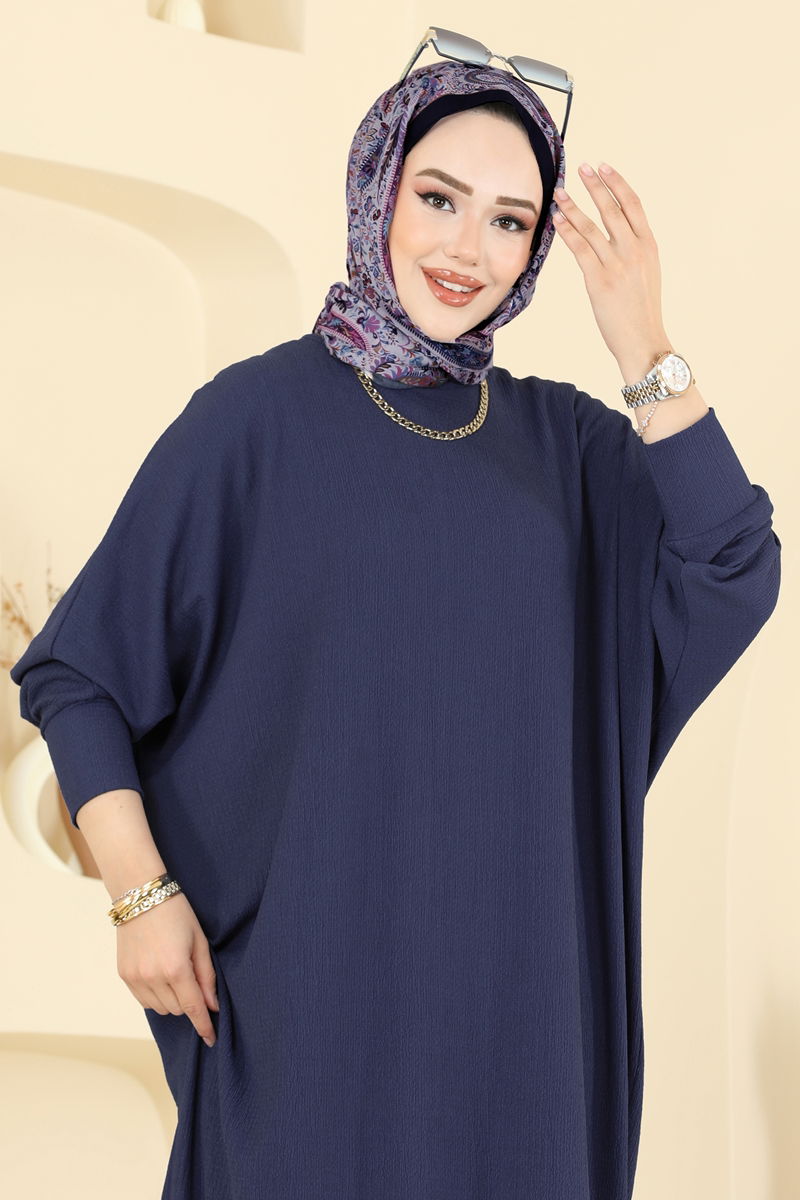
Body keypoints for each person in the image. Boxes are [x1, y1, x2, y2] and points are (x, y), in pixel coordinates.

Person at [9, 42, 781, 1200]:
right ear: (378, 188)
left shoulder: (570, 451)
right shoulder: (253, 422)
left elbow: (730, 562)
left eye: (510, 221)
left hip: (522, 1032)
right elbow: (81, 674)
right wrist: (140, 896)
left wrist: (641, 344)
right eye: (438, 199)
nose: (467, 250)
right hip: (310, 1018)